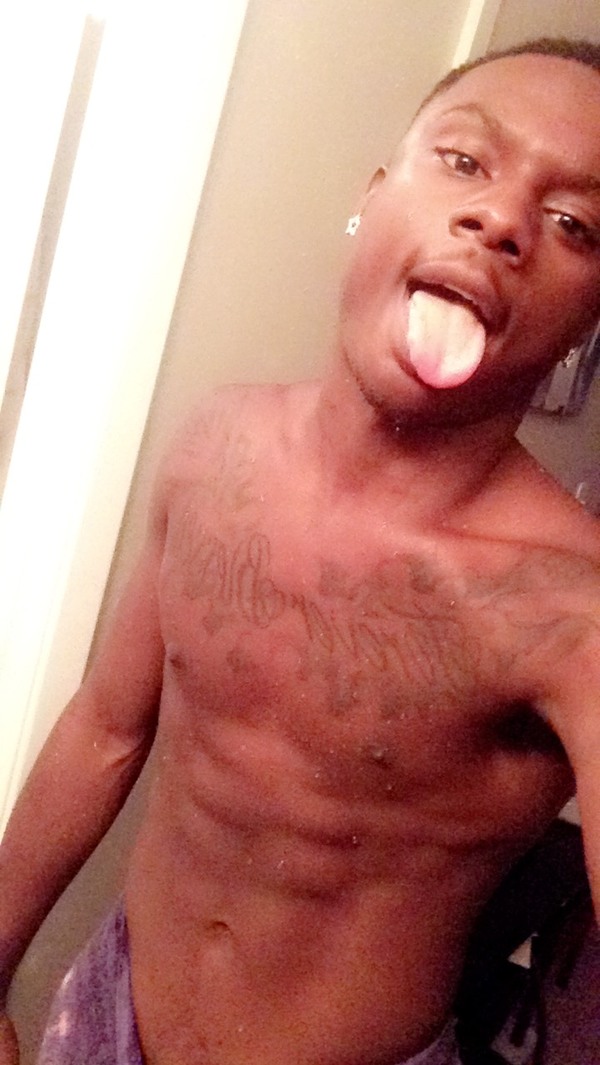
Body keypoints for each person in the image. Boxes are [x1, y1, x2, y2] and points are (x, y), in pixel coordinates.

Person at [2, 34, 600, 1065]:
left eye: (574, 224)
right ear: (373, 194)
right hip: (104, 1015)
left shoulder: (569, 607)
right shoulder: (216, 447)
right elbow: (104, 728)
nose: (501, 219)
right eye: (465, 160)